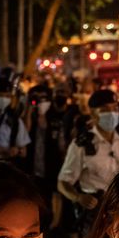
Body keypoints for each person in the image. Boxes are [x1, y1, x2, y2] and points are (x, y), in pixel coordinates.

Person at [57, 89, 119, 236]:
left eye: (115, 108)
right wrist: (78, 197)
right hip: (96, 212)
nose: (112, 113)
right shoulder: (82, 144)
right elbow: (63, 183)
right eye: (105, 110)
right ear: (93, 113)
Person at [25, 84, 69, 229]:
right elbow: (24, 133)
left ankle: (55, 223)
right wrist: (29, 110)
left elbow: (61, 142)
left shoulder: (55, 118)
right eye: (37, 98)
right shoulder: (28, 115)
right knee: (36, 196)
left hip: (52, 163)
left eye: (44, 98)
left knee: (54, 193)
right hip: (33, 165)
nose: (40, 101)